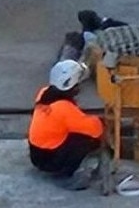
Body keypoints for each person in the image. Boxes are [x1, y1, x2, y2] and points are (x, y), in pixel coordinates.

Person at [28, 59, 104, 190]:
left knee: (75, 129)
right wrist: (101, 121)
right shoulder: (64, 108)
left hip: (36, 154)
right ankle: (68, 172)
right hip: (50, 161)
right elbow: (96, 129)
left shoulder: (43, 93)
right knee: (90, 139)